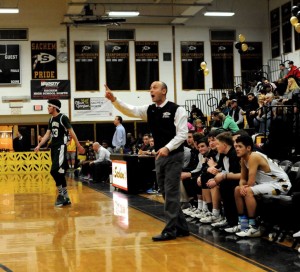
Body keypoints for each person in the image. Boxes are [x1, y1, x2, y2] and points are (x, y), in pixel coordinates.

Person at [105, 81, 190, 241]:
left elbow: (182, 134)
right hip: (159, 156)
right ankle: (182, 227)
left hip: (174, 156)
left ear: (164, 91)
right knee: (165, 192)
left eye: (155, 87)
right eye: (150, 88)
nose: (151, 90)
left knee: (171, 192)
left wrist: (167, 148)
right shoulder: (149, 110)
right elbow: (130, 110)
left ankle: (170, 230)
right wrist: (114, 100)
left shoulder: (177, 109)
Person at [232, 135, 291, 238]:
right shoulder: (243, 159)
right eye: (236, 146)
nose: (236, 148)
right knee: (237, 190)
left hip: (281, 185)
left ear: (248, 148)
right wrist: (241, 186)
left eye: (240, 146)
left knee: (248, 191)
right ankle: (243, 224)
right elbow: (242, 179)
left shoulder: (254, 156)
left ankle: (253, 227)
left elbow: (250, 182)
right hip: (266, 184)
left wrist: (244, 187)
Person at [34, 99, 85, 207]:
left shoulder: (63, 117)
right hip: (53, 148)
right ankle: (65, 198)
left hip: (61, 147)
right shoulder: (51, 119)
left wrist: (78, 145)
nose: (47, 108)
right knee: (60, 173)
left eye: (49, 106)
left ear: (55, 107)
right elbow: (47, 135)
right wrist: (39, 145)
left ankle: (62, 194)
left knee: (54, 171)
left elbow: (72, 131)